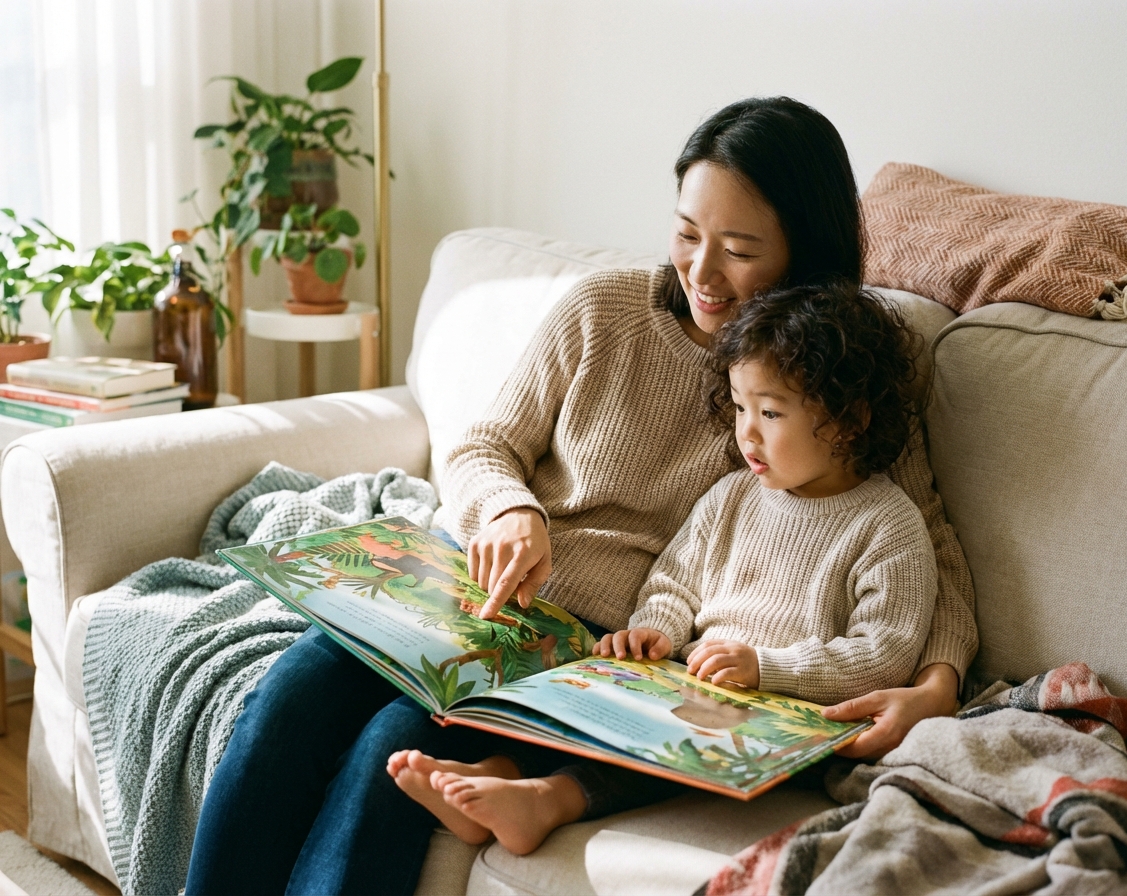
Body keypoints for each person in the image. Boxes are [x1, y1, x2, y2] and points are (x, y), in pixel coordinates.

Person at [185, 96, 976, 895]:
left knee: (388, 751)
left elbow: (927, 539)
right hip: (466, 592)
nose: (702, 273)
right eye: (687, 234)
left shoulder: (836, 377)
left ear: (804, 250)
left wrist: (938, 681)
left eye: (739, 250)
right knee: (284, 703)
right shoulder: (603, 310)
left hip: (593, 647)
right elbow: (485, 445)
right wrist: (507, 508)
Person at [408, 281, 940, 855]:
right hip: (696, 686)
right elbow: (674, 580)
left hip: (793, 722)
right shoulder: (732, 495)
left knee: (682, 738)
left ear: (849, 420)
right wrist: (656, 630)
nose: (747, 432)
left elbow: (885, 653)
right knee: (606, 697)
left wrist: (767, 668)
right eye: (739, 407)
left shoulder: (889, 524)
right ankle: (504, 768)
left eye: (770, 412)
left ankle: (546, 802)